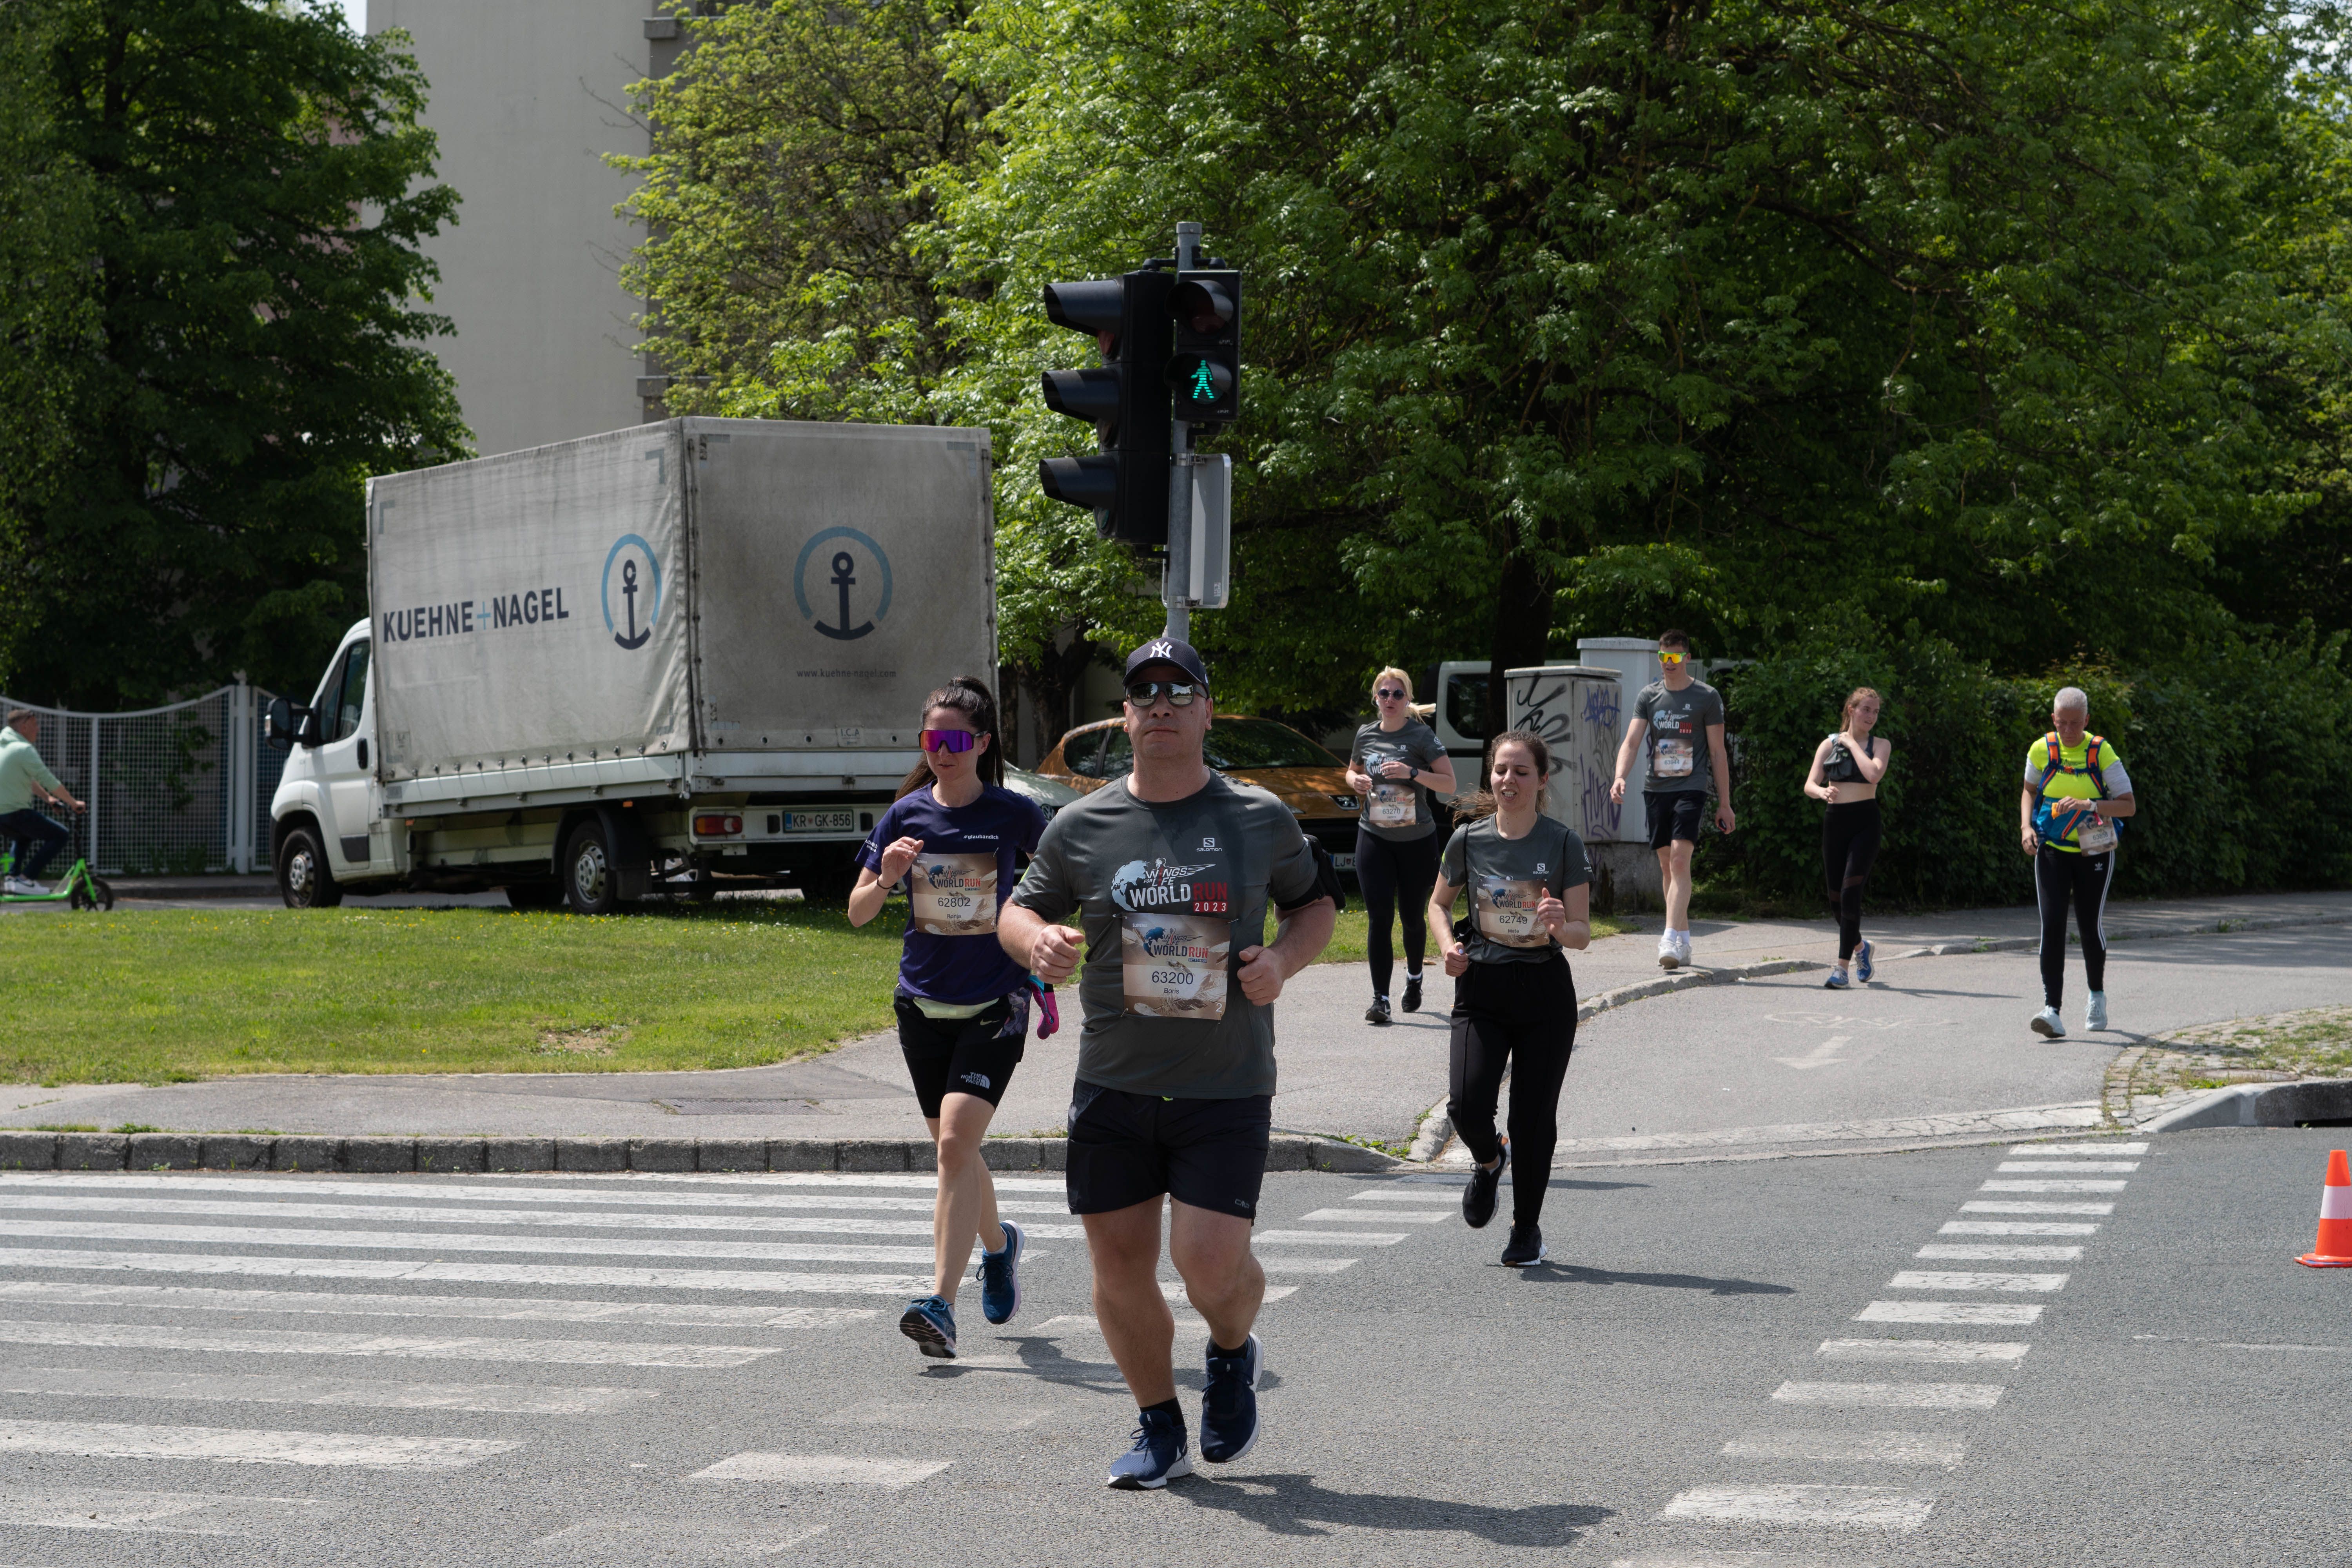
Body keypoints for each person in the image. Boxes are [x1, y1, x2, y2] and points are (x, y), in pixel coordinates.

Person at [999, 637, 1336, 1491]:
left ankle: (1231, 1348)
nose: (1161, 705)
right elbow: (1018, 908)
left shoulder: (1258, 816)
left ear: (1206, 710)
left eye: (1179, 691)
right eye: (1144, 692)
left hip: (1225, 1082)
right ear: (1125, 715)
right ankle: (1158, 1427)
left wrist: (1282, 962)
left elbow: (1315, 905)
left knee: (1208, 1264)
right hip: (1115, 1080)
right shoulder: (1083, 823)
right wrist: (1036, 941)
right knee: (1118, 1268)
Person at [848, 678, 1048, 1359]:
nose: (943, 751)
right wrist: (887, 876)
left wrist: (1038, 926)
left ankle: (940, 1303)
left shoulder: (1014, 814)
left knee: (954, 1147)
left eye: (957, 739)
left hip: (995, 1004)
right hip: (921, 1006)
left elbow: (1061, 879)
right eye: (933, 739)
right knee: (956, 1152)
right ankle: (999, 1245)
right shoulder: (905, 815)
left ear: (983, 743)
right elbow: (858, 913)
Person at [1427, 730, 1592, 1267]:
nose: (1509, 780)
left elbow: (1583, 933)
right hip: (1482, 986)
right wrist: (1448, 947)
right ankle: (1489, 1158)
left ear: (1541, 780)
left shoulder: (1563, 843)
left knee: (1532, 1119)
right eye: (1501, 770)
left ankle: (1526, 1229)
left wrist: (1560, 924)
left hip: (1544, 991)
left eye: (1522, 771)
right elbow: (1437, 904)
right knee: (1466, 1104)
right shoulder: (1468, 840)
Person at [1609, 631, 1734, 969]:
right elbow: (1632, 742)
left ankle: (1668, 938)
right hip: (1657, 789)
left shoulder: (1706, 697)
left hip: (1691, 788)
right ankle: (1684, 938)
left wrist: (1724, 803)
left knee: (1680, 861)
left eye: (1676, 657)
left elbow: (1718, 752)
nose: (1669, 663)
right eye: (1664, 657)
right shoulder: (1649, 696)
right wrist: (1620, 777)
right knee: (1668, 866)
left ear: (1687, 658)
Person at [1343, 667, 1457, 1025]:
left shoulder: (1421, 736)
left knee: (1411, 917)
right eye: (1384, 693)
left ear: (1408, 699)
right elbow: (1351, 770)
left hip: (1416, 841)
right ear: (1375, 698)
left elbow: (1450, 784)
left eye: (1397, 694)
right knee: (1380, 917)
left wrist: (1413, 774)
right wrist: (1355, 781)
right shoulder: (1365, 734)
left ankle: (1415, 978)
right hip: (1374, 836)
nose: (1390, 699)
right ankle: (1380, 999)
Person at [2019, 686, 2135, 1037]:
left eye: (2076, 723)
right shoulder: (2042, 749)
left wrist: (2090, 805)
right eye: (2062, 723)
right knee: (2052, 925)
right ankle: (2051, 1010)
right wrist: (2026, 827)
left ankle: (2096, 995)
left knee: (2088, 926)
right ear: (2053, 719)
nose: (2069, 730)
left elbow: (2128, 806)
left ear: (2087, 720)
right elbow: (2028, 791)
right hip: (2052, 850)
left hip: (2094, 851)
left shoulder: (2101, 752)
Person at [1803, 688, 1893, 990]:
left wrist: (1852, 743)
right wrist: (1822, 792)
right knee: (1836, 903)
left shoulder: (1881, 745)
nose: (1872, 716)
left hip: (1866, 822)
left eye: (1876, 711)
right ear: (1851, 710)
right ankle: (1861, 948)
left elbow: (1873, 775)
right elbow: (1810, 784)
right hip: (1836, 822)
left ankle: (1841, 969)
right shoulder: (1829, 744)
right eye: (1866, 709)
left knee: (1850, 893)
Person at [0, 710, 84, 896]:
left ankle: (13, 880)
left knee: (23, 837)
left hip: (3, 816)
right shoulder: (23, 750)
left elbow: (28, 780)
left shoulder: (4, 747)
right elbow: (48, 779)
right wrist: (73, 802)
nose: (39, 729)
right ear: (24, 727)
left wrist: (48, 798)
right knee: (60, 835)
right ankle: (26, 879)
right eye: (36, 725)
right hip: (15, 812)